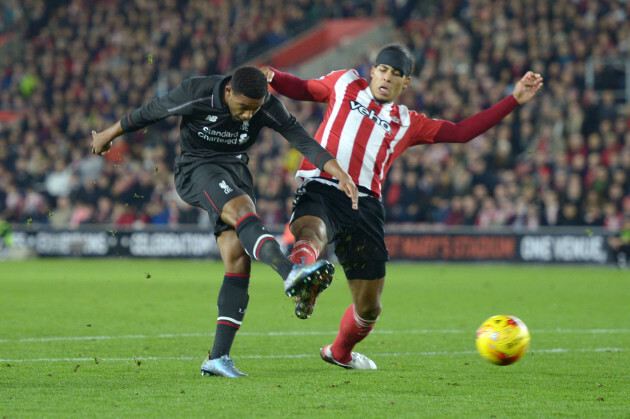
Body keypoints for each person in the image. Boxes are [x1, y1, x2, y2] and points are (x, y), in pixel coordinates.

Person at [261, 44, 543, 370]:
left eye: (396, 74)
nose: (387, 78)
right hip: (322, 184)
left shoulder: (408, 121)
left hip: (364, 205)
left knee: (369, 308)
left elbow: (462, 132)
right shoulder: (344, 83)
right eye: (383, 70)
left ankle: (339, 353)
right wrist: (273, 76)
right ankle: (301, 273)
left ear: (405, 83)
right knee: (313, 232)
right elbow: (301, 88)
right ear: (373, 71)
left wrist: (513, 100)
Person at [91, 66, 358, 378]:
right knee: (243, 209)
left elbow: (298, 136)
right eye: (243, 107)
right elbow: (153, 111)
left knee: (237, 260)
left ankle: (217, 359)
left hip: (236, 171)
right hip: (197, 167)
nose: (247, 115)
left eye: (254, 109)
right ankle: (290, 272)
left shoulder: (267, 105)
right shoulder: (198, 92)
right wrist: (110, 133)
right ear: (228, 91)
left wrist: (336, 170)